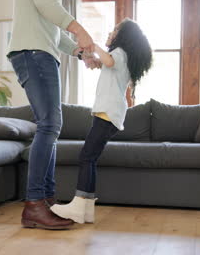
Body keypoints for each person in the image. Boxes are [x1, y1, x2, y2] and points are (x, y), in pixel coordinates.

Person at [7, 0, 99, 230]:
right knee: (49, 126)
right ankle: (35, 204)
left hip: (39, 53)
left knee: (50, 127)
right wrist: (79, 30)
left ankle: (46, 200)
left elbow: (51, 30)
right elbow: (45, 2)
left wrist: (78, 52)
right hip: (35, 54)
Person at [50, 19, 153, 224]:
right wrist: (97, 60)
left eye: (115, 30)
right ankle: (86, 209)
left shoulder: (120, 53)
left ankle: (79, 205)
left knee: (86, 156)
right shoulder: (123, 56)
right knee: (90, 157)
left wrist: (92, 44)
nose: (110, 32)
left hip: (107, 113)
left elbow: (109, 61)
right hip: (111, 113)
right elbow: (108, 65)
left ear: (123, 37)